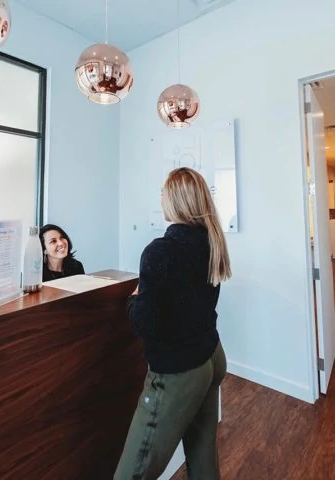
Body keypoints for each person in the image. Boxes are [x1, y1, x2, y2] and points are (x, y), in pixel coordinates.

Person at [114, 167, 232, 480]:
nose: (160, 198)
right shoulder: (212, 241)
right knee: (202, 451)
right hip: (211, 358)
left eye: (163, 192)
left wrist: (134, 298)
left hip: (179, 374)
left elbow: (145, 325)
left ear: (175, 201)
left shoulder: (160, 252)